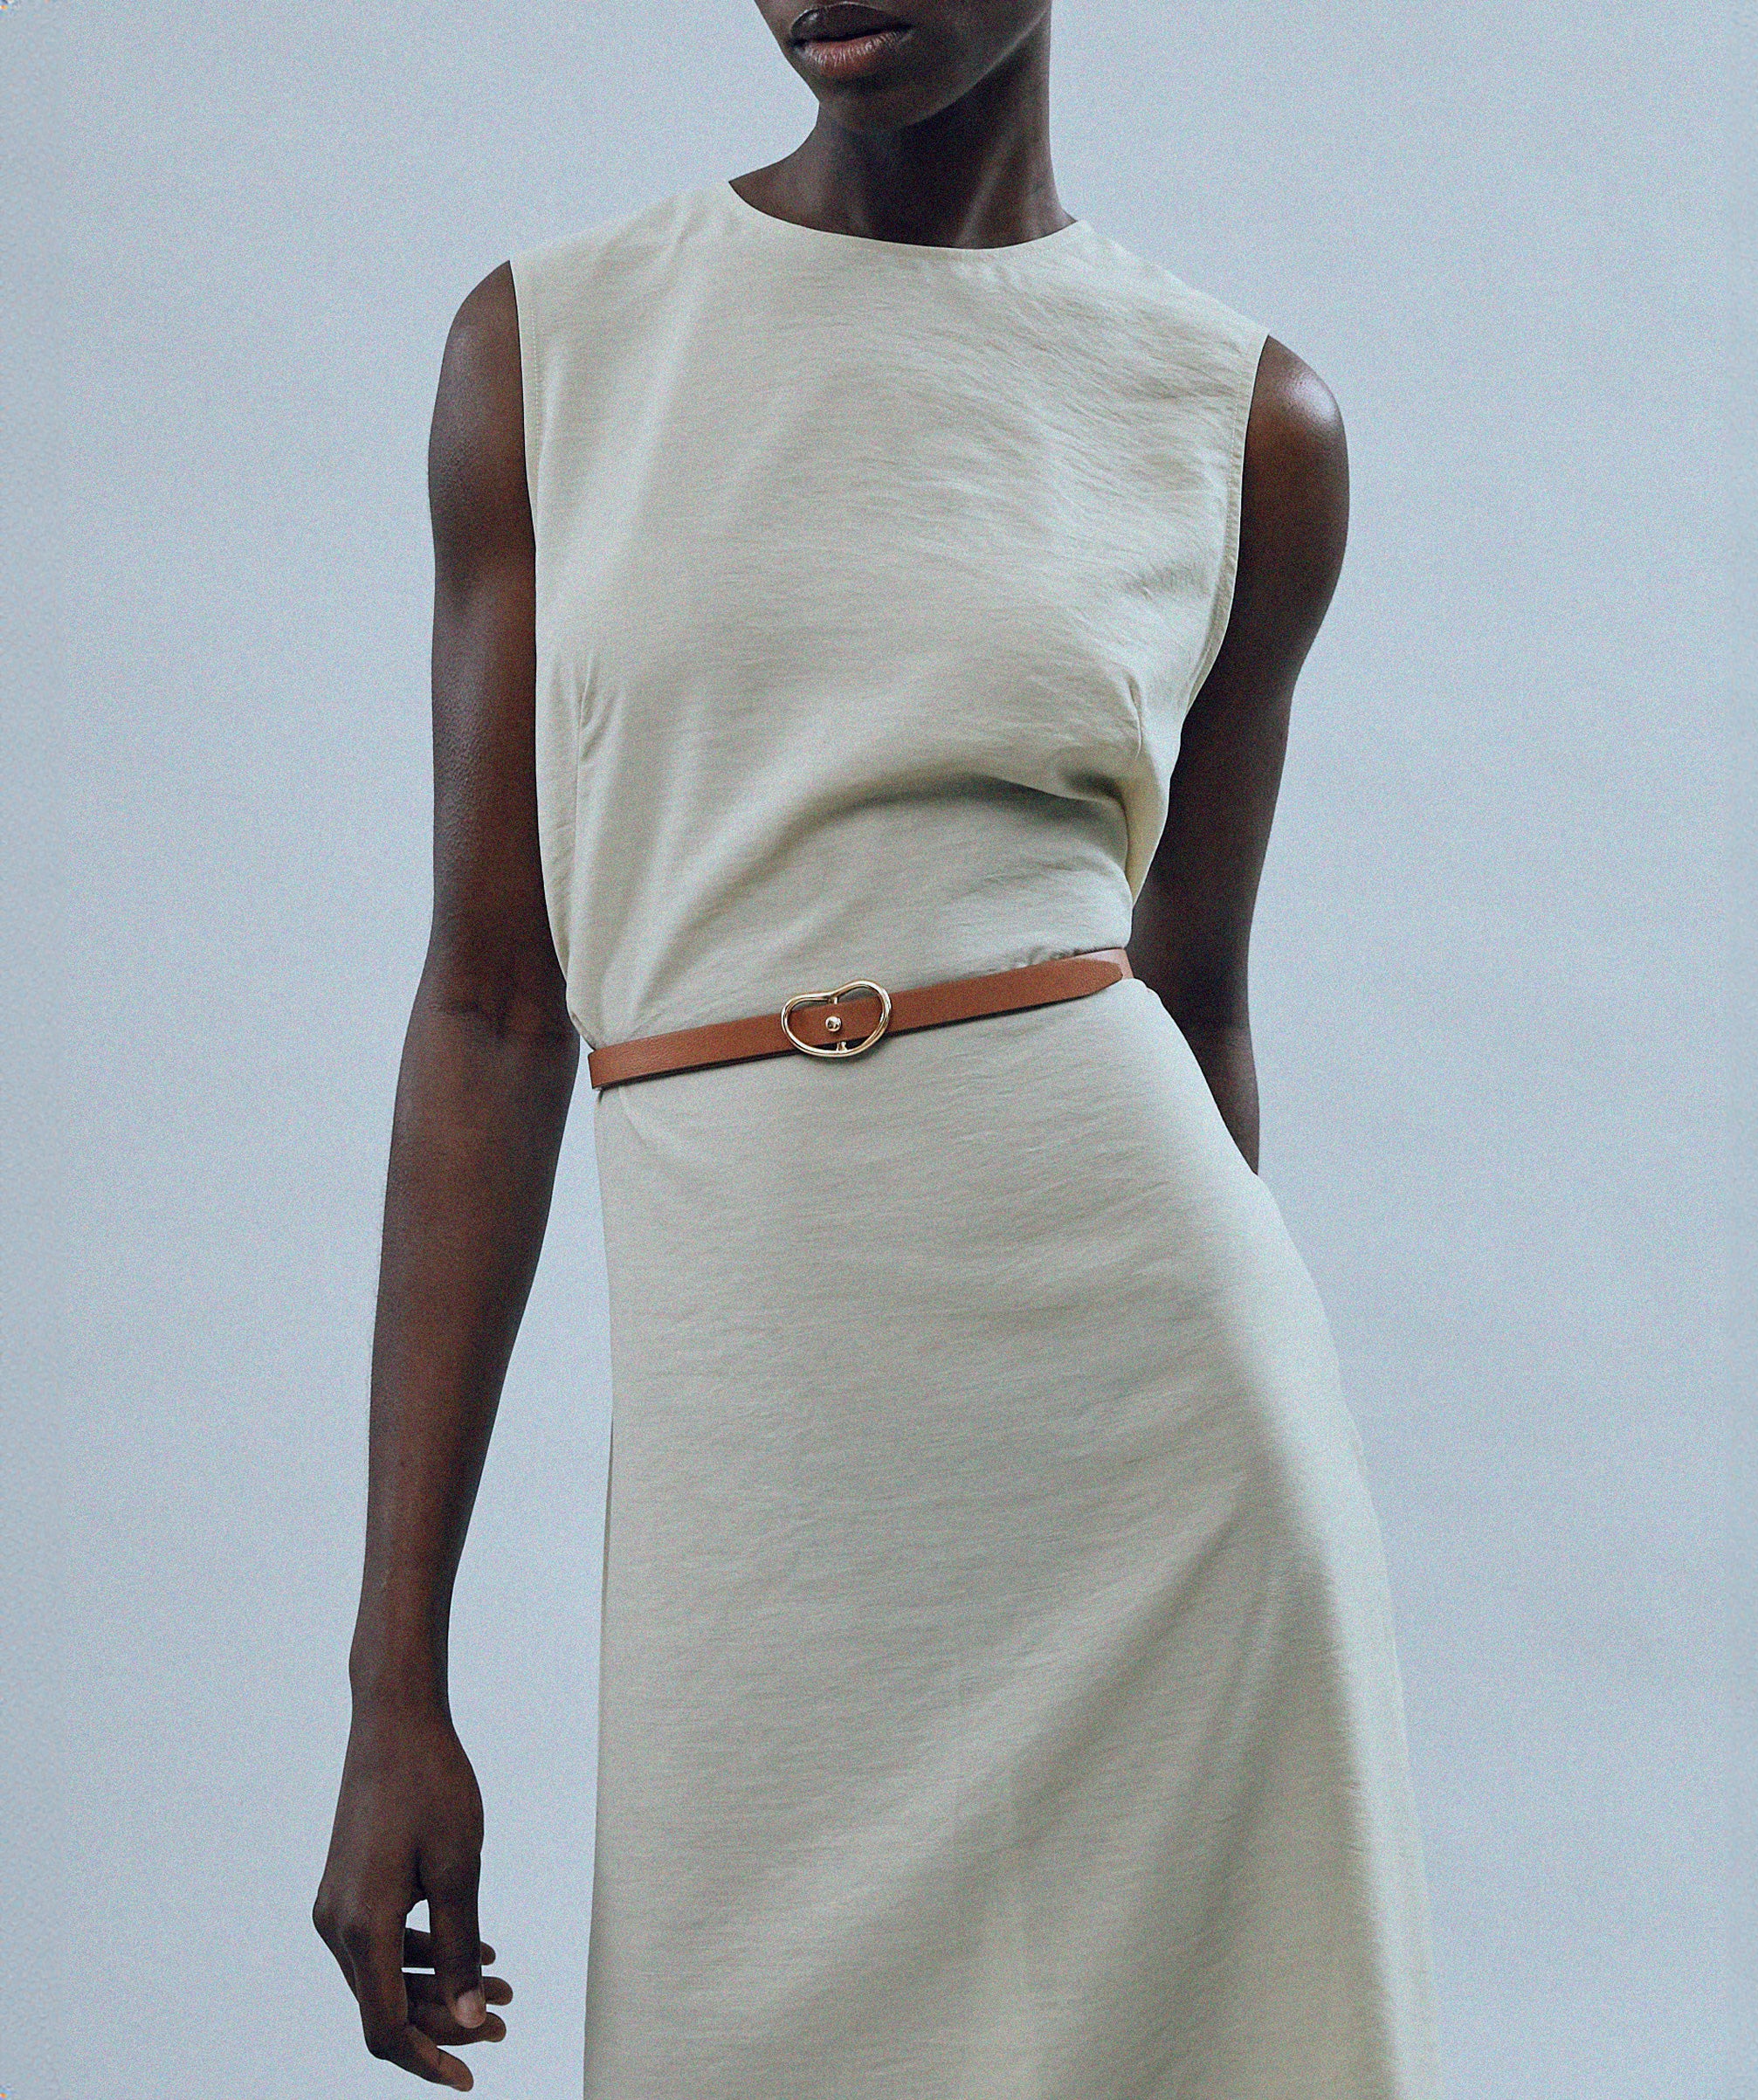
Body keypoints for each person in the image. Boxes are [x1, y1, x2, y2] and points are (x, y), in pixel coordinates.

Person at [313, 3, 1444, 2093]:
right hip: (764, 1425)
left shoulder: (1243, 417)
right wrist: (398, 1679)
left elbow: (1194, 1002)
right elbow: (490, 1000)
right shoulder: (551, 351)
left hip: (1147, 1440)